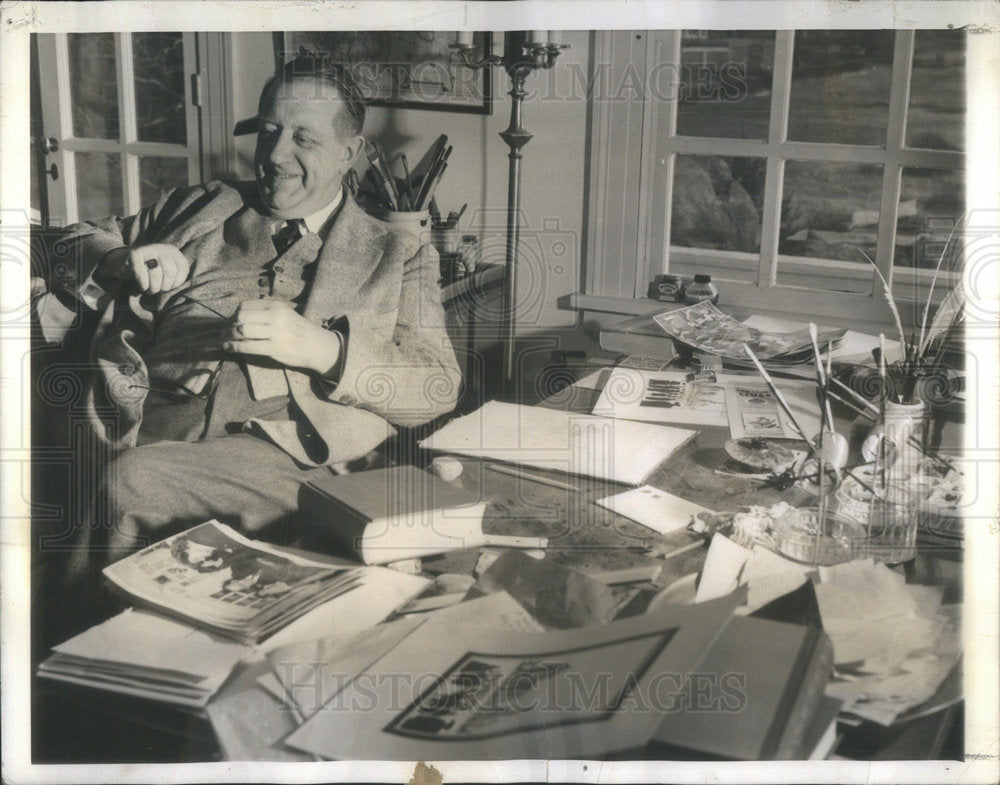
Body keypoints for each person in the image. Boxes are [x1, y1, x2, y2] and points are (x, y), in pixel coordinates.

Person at [43, 55, 461, 627]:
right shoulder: (199, 207)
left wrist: (323, 350)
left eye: (303, 139)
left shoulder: (397, 253)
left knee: (133, 482)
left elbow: (436, 385)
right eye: (268, 133)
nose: (275, 156)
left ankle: (59, 669)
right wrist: (121, 258)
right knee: (120, 482)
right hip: (151, 425)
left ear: (350, 152)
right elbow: (68, 243)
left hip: (288, 461)